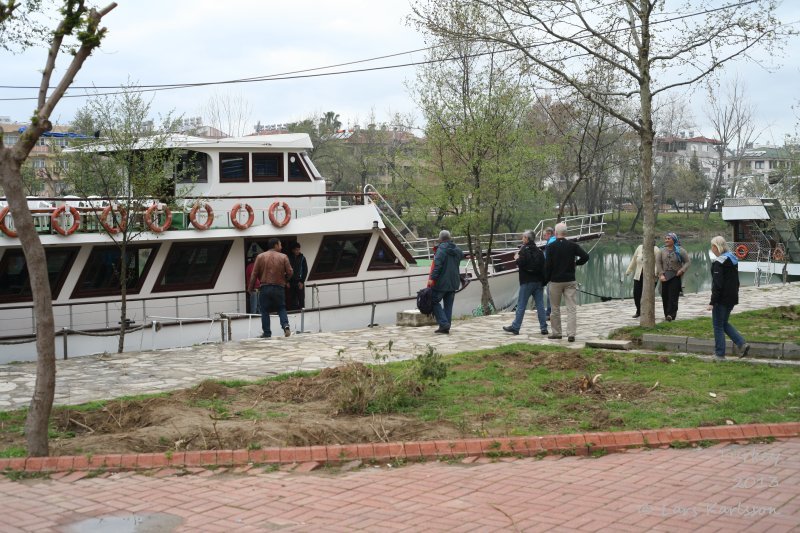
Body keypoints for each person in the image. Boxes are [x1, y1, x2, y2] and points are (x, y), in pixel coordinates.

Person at [706, 235, 750, 362]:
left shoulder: (719, 263)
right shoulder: (732, 259)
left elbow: (717, 285)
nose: (712, 249)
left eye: (712, 246)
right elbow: (736, 281)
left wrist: (712, 302)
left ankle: (719, 354)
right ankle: (741, 344)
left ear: (716, 247)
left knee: (718, 326)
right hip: (732, 297)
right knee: (724, 323)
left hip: (721, 299)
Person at [544, 222, 589, 342]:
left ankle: (557, 333)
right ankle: (571, 334)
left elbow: (548, 266)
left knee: (555, 308)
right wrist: (576, 263)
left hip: (555, 281)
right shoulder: (572, 245)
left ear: (555, 233)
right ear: (566, 233)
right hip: (570, 280)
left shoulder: (551, 247)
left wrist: (545, 280)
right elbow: (585, 256)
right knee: (571, 308)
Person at [503, 229, 548, 335]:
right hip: (538, 282)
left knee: (521, 305)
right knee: (540, 305)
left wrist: (516, 258)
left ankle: (516, 327)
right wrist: (543, 281)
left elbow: (521, 263)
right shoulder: (540, 251)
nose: (522, 239)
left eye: (523, 237)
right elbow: (544, 267)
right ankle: (543, 328)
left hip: (526, 282)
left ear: (527, 239)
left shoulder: (523, 250)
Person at [248, 238, 293, 338]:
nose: (281, 247)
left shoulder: (260, 257)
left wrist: (250, 288)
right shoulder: (283, 257)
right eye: (280, 244)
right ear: (276, 245)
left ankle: (267, 333)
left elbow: (254, 274)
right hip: (279, 287)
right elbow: (290, 272)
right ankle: (285, 326)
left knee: (264, 310)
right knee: (281, 307)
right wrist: (285, 279)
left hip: (264, 287)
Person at [427, 229, 464, 334]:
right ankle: (445, 326)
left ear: (440, 239)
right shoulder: (456, 249)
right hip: (453, 282)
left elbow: (437, 265)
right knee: (448, 305)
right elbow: (462, 255)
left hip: (442, 282)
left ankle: (443, 324)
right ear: (450, 238)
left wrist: (432, 278)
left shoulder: (441, 249)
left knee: (433, 300)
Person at [656, 232, 691, 321]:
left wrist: (682, 270)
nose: (666, 240)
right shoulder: (661, 250)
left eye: (668, 238)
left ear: (674, 240)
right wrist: (661, 274)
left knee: (673, 297)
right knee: (665, 296)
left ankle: (672, 315)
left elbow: (687, 262)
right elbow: (658, 262)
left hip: (675, 276)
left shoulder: (680, 250)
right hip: (664, 277)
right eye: (666, 238)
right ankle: (666, 315)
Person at [624, 243, 660, 318]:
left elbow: (658, 263)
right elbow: (634, 260)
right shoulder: (639, 247)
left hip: (650, 277)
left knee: (648, 296)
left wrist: (655, 274)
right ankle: (639, 311)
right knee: (636, 294)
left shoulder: (656, 249)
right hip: (638, 276)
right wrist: (629, 271)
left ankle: (648, 312)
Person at [287, 242, 308, 310]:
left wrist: (302, 281)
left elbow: (305, 270)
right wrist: (286, 281)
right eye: (296, 250)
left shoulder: (302, 258)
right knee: (291, 300)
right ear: (293, 250)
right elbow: (285, 270)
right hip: (291, 282)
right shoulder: (288, 258)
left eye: (299, 249)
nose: (298, 251)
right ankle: (293, 314)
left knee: (301, 299)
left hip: (299, 282)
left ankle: (302, 314)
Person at [542, 227, 556, 320]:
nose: (543, 236)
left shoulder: (551, 243)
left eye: (544, 235)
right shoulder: (551, 241)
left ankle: (549, 312)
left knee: (549, 293)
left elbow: (548, 258)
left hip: (551, 272)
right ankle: (550, 311)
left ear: (549, 234)